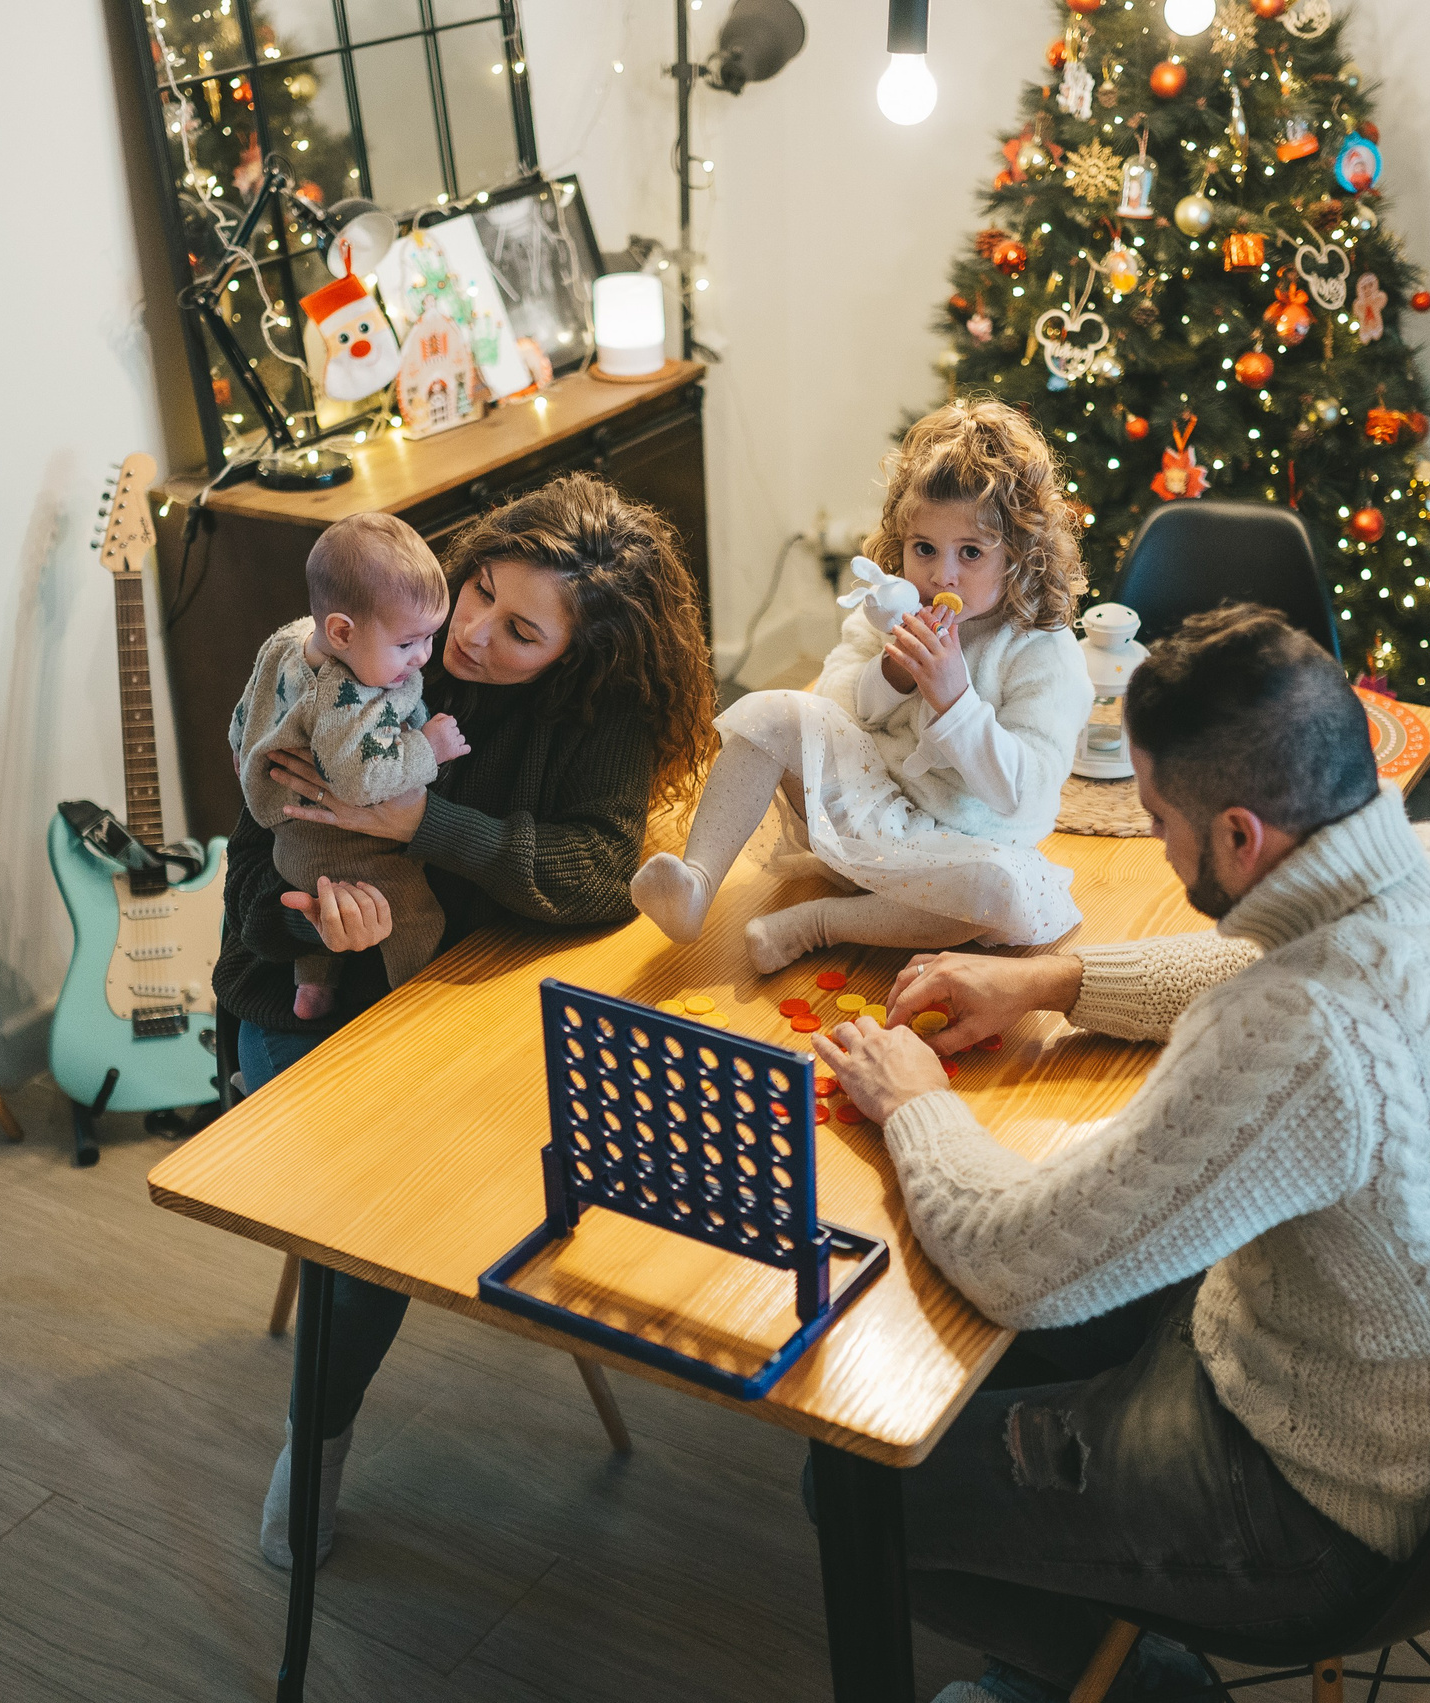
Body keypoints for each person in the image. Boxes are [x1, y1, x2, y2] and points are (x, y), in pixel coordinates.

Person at [814, 606, 1430, 1703]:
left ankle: (1144, 1683)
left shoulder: (1300, 1032)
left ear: (1240, 835)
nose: (1153, 837)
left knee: (854, 1484)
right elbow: (1273, 963)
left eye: (1159, 816)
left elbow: (1014, 1261)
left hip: (1327, 1511)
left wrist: (913, 1101)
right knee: (1019, 1328)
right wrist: (1056, 979)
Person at [213, 472, 717, 1568]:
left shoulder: (599, 710)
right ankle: (320, 1435)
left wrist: (423, 819)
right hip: (306, 986)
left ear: (575, 657)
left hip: (461, 993)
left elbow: (598, 868)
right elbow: (251, 860)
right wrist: (312, 918)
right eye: (480, 589)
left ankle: (331, 1391)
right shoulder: (370, 633)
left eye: (521, 628)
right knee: (368, 1197)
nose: (473, 633)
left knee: (411, 1174)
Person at [631, 399, 1092, 973]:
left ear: (1021, 556)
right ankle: (697, 884)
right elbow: (828, 710)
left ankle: (820, 923)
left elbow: (1026, 796)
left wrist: (955, 701)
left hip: (956, 850)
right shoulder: (890, 610)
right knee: (771, 709)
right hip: (862, 817)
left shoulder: (1042, 652)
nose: (940, 576)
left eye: (970, 553)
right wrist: (891, 676)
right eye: (924, 548)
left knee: (1001, 896)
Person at [227, 513, 470, 1018]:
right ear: (341, 631)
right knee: (416, 914)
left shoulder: (288, 641)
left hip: (291, 839)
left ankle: (313, 986)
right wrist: (430, 746)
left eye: (429, 638)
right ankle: (425, 1012)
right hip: (337, 840)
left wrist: (242, 755)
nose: (423, 656)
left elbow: (244, 713)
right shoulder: (348, 695)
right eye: (406, 643)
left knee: (330, 904)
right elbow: (363, 783)